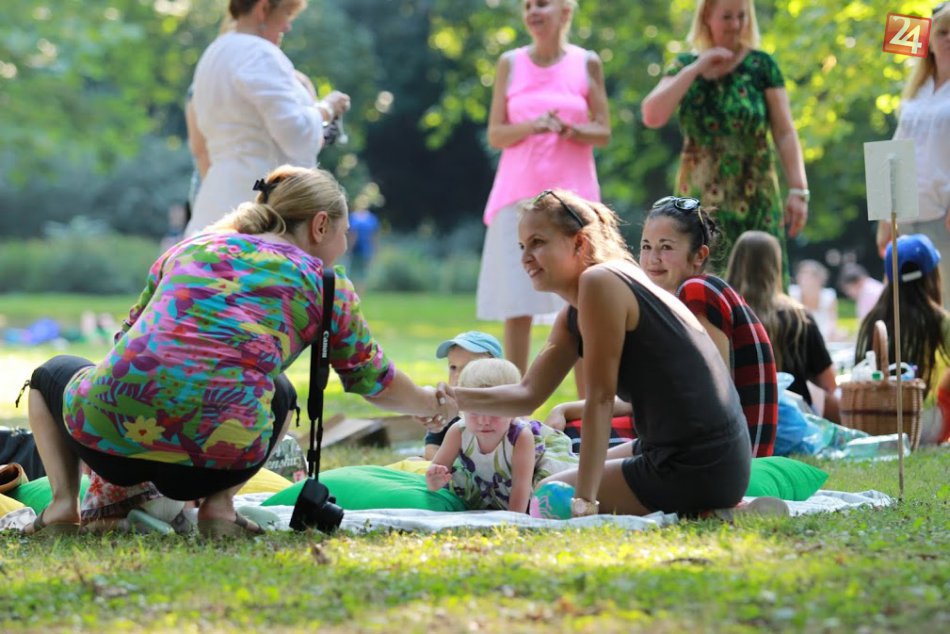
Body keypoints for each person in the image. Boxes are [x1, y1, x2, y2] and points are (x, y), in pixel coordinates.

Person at [20, 165, 451, 536]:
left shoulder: (189, 248)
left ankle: (62, 505)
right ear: (321, 226)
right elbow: (372, 378)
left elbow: (127, 338)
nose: (344, 246)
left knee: (50, 374)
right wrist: (430, 402)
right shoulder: (325, 284)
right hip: (215, 464)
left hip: (107, 444)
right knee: (279, 392)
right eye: (344, 234)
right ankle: (219, 507)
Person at [440, 189, 759, 518]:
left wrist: (586, 500)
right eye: (522, 246)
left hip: (697, 462)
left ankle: (706, 508)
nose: (525, 258)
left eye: (538, 242)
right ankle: (712, 507)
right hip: (699, 454)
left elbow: (601, 399)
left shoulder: (600, 282)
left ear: (579, 243)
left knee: (546, 498)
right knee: (560, 473)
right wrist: (447, 398)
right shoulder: (581, 303)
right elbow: (526, 395)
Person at [476, 0, 610, 378]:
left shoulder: (587, 62)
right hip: (517, 199)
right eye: (528, 5)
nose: (534, 11)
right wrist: (534, 125)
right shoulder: (510, 62)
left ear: (566, 10)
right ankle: (516, 414)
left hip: (574, 203)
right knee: (517, 306)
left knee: (584, 302)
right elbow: (496, 133)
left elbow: (603, 130)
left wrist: (572, 129)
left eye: (543, 4)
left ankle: (586, 416)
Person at [641, 0, 809, 276]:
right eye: (727, 16)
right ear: (707, 16)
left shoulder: (761, 66)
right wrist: (697, 68)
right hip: (700, 199)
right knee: (699, 278)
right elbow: (652, 115)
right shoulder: (685, 65)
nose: (735, 25)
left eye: (741, 16)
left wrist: (798, 190)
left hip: (755, 196)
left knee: (760, 277)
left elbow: (785, 132)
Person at [185, 0, 351, 236]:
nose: (287, 27)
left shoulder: (213, 54)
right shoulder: (259, 54)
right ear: (263, 9)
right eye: (287, 15)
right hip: (260, 206)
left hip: (215, 199)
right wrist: (327, 108)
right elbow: (295, 133)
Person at [427, 359, 576, 512]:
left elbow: (521, 488)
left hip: (530, 477)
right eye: (474, 411)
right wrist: (434, 480)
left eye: (494, 412)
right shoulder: (458, 431)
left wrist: (511, 522)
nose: (484, 420)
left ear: (513, 409)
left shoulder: (521, 436)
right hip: (490, 483)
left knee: (549, 495)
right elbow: (435, 472)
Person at [877, 3, 950, 308]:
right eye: (943, 32)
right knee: (903, 306)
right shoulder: (916, 92)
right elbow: (897, 146)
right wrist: (884, 214)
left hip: (943, 216)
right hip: (905, 213)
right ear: (930, 42)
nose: (949, 39)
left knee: (943, 305)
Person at [726, 231, 840, 422]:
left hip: (739, 421)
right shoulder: (799, 317)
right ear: (776, 266)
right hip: (794, 424)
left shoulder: (722, 314)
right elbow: (829, 384)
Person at [855, 234, 949, 444]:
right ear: (933, 276)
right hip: (925, 424)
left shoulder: (874, 321)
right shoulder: (941, 321)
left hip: (878, 419)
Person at [423, 331, 503, 460]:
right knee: (414, 462)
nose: (458, 375)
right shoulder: (448, 410)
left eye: (468, 368)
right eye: (453, 367)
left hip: (496, 470)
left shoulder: (505, 409)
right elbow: (431, 448)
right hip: (453, 470)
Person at [789, 259, 840, 342]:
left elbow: (832, 323)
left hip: (824, 338)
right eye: (802, 275)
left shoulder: (829, 296)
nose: (804, 279)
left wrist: (833, 334)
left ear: (819, 279)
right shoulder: (793, 294)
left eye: (809, 276)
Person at [346, 207, 380, 282]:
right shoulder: (371, 218)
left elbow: (352, 235)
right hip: (362, 249)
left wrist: (349, 249)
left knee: (355, 273)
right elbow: (374, 236)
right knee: (361, 274)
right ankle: (358, 291)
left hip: (362, 249)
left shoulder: (353, 217)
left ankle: (355, 291)